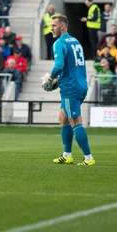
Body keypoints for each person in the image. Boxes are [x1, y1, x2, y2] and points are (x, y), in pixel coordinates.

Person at [41, 15, 95, 166]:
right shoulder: (75, 41)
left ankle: (88, 158)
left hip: (70, 87)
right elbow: (71, 66)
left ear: (63, 26)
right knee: (63, 118)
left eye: (54, 25)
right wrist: (59, 80)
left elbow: (59, 65)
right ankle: (67, 155)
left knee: (75, 121)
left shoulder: (59, 43)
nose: (52, 28)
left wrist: (50, 78)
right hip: (80, 84)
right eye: (51, 25)